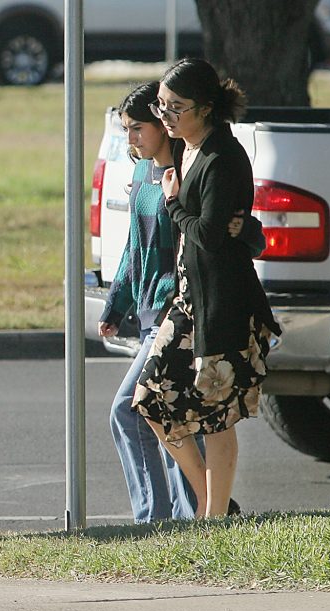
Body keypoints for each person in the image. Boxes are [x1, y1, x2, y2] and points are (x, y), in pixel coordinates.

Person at [134, 58, 281, 518]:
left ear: (205, 109)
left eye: (175, 108)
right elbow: (229, 228)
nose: (165, 117)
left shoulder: (223, 156)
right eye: (162, 106)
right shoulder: (186, 147)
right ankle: (212, 503)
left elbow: (212, 236)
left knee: (217, 416)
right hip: (187, 298)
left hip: (221, 303)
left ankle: (213, 517)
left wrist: (174, 203)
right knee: (152, 399)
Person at [99, 82, 202, 523]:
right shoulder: (142, 174)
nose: (131, 140)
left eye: (137, 129)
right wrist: (116, 304)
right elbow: (132, 248)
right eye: (126, 131)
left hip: (173, 313)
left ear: (162, 125)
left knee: (132, 410)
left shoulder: (185, 173)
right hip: (145, 314)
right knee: (167, 413)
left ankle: (160, 519)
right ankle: (183, 518)